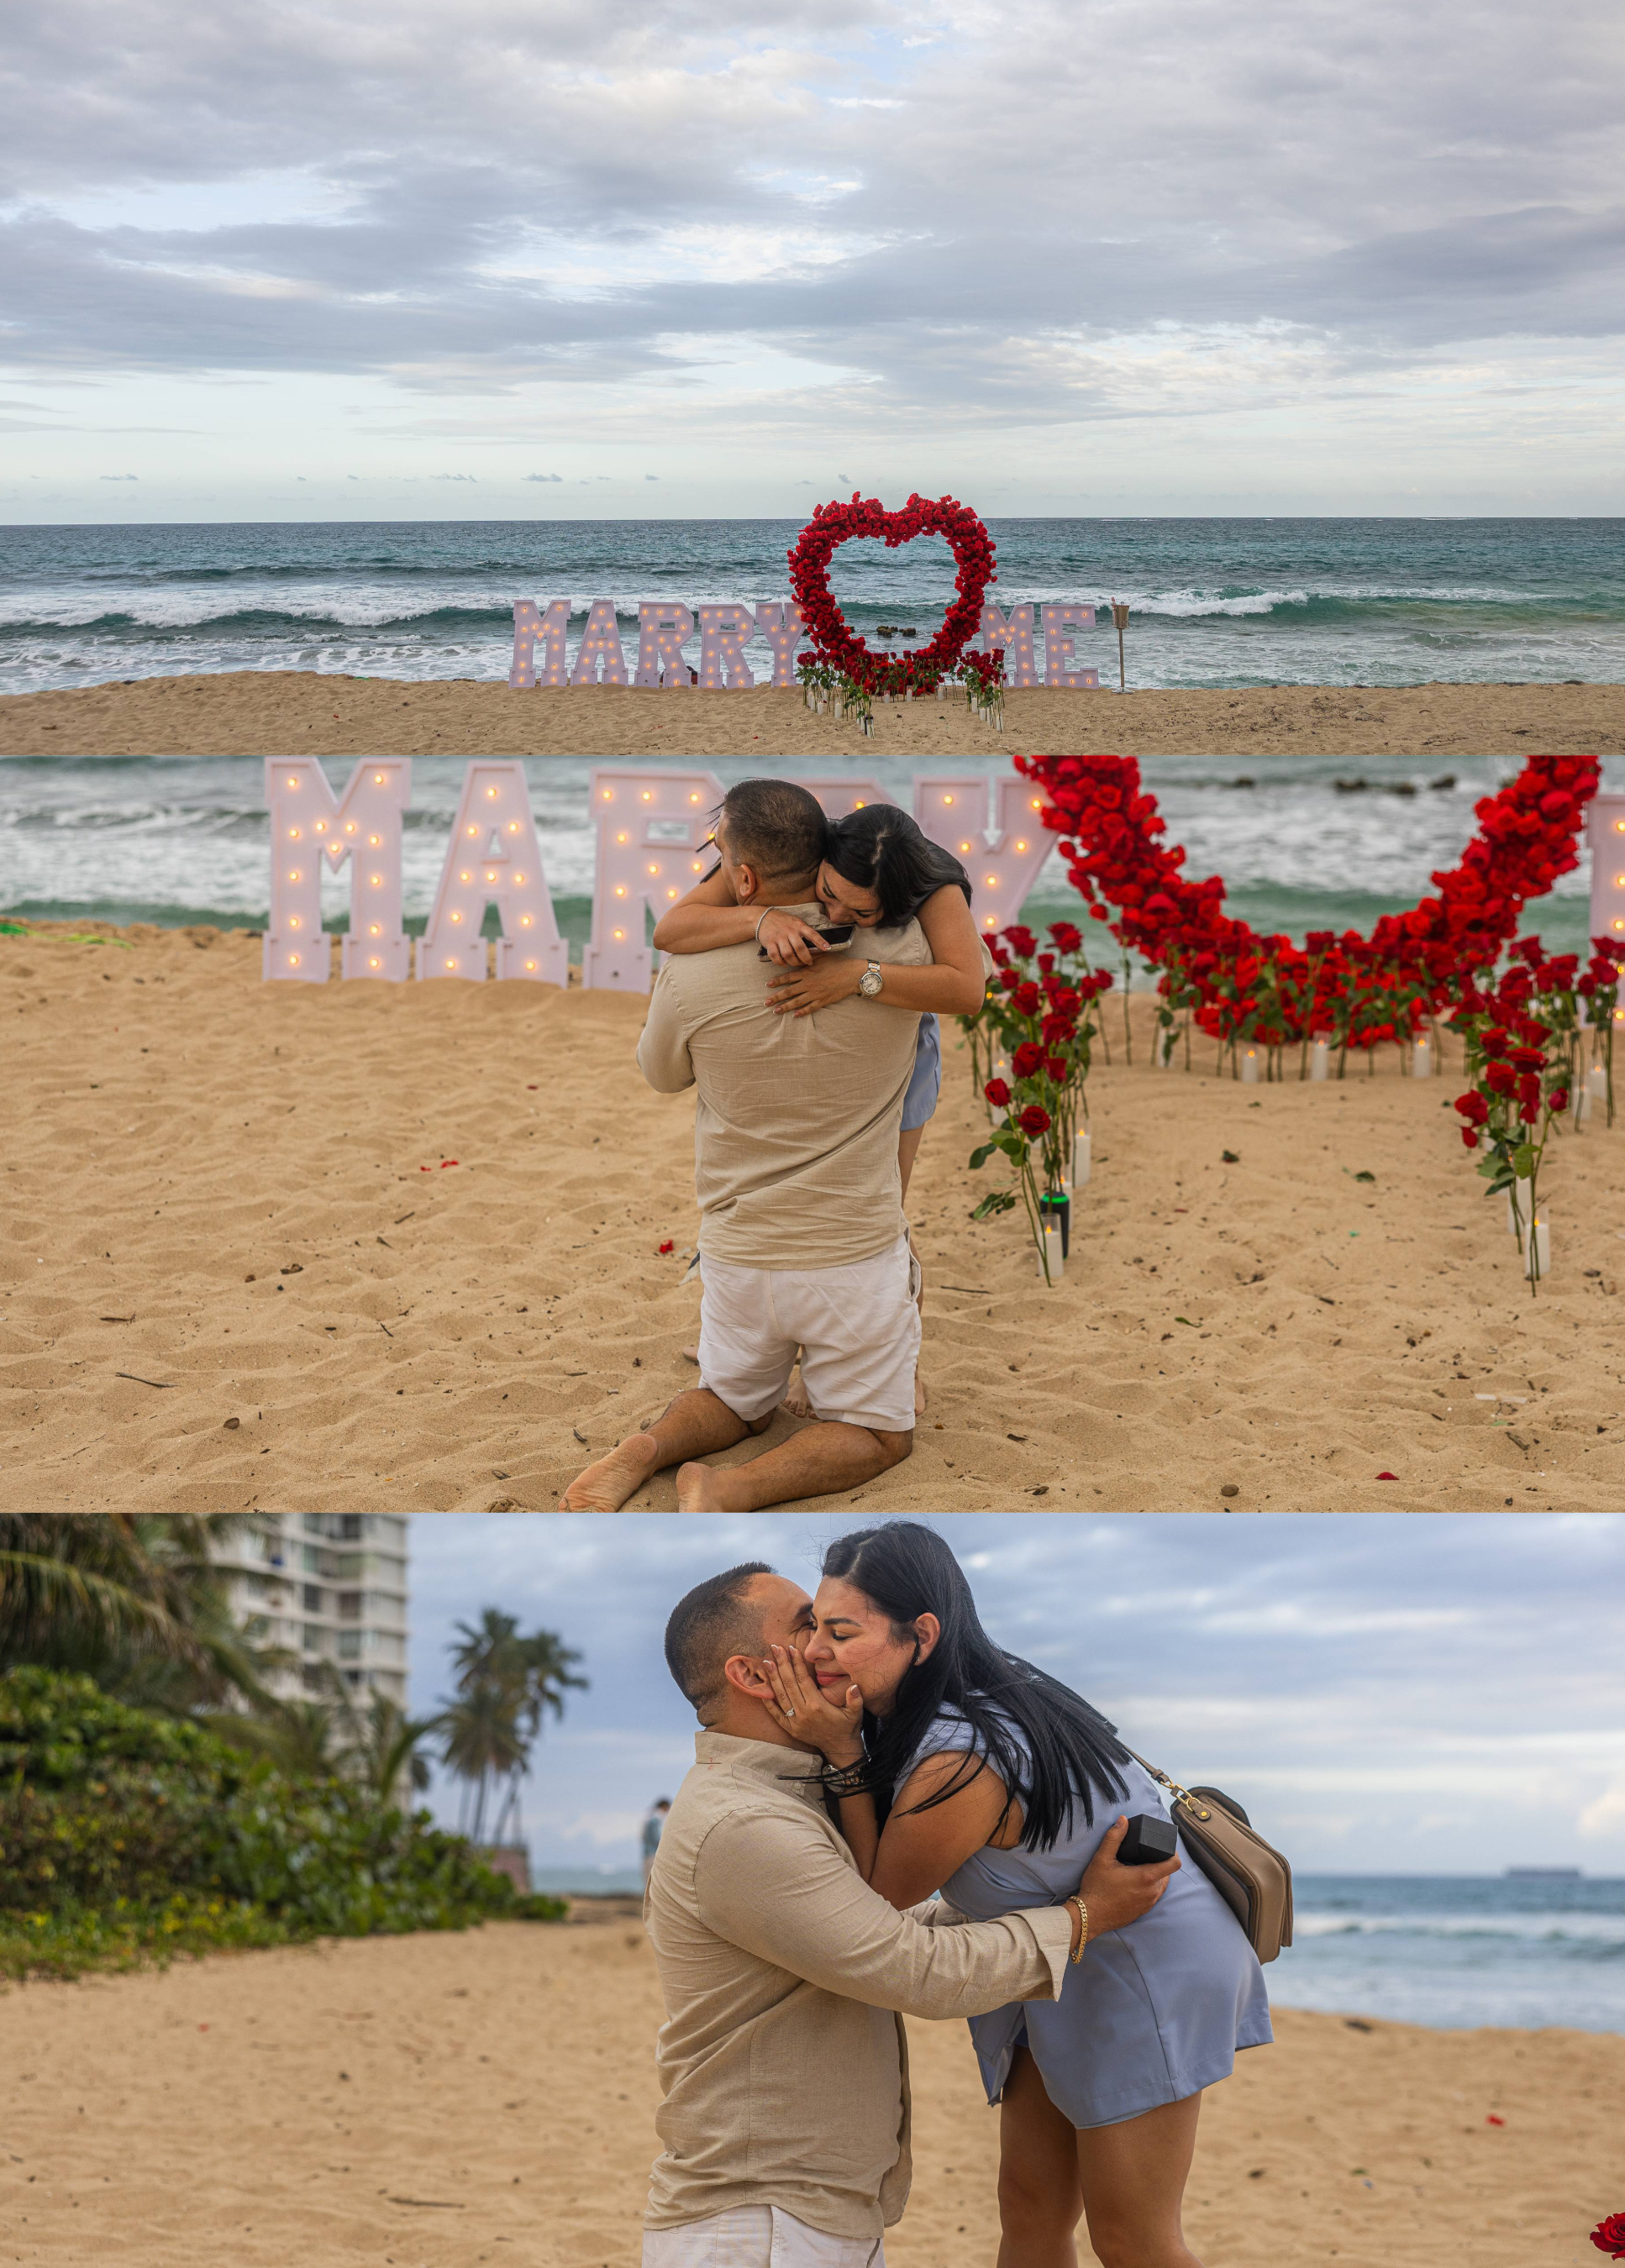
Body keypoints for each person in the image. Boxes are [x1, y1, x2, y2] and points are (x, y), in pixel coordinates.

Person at [755, 1523, 1272, 2268]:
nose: (813, 1652)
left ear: (921, 1636)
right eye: (814, 1629)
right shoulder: (962, 1698)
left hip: (1140, 1954)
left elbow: (878, 1895)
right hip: (1062, 1947)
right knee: (1030, 2208)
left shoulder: (961, 1758)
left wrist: (839, 1749)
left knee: (1132, 2238)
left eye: (842, 1633)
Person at [642, 1560, 1181, 2268]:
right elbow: (912, 1971)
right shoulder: (743, 1823)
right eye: (807, 1626)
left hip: (794, 2211)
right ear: (750, 1675)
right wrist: (1084, 1916)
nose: (825, 1646)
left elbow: (876, 1931)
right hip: (761, 2221)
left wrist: (1048, 1890)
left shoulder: (783, 1798)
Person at [561, 780, 946, 1514]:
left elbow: (660, 1074)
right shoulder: (904, 951)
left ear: (741, 877)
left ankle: (646, 1450)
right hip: (851, 1257)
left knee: (731, 1403)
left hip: (741, 1254)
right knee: (879, 1435)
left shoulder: (688, 971)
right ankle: (727, 1488)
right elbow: (963, 969)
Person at [652, 800, 985, 1419]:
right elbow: (671, 930)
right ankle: (761, 1342)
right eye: (828, 895)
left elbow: (968, 989)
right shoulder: (803, 846)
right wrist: (760, 920)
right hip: (807, 1038)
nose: (833, 915)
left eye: (862, 914)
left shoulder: (933, 886)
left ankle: (895, 1364)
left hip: (896, 1041)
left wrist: (857, 976)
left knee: (880, 1208)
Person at [640, 1797, 671, 1885]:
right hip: (653, 1855)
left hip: (648, 1854)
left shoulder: (649, 1818)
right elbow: (657, 1839)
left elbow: (643, 1837)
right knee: (653, 1883)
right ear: (664, 1807)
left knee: (648, 1882)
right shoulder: (655, 1820)